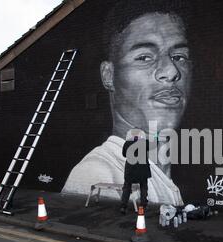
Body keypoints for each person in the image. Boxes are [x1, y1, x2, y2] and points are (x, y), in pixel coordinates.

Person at [62, 0, 192, 206]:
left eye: (179, 56)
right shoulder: (96, 173)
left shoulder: (162, 170)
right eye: (144, 57)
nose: (171, 71)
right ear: (108, 75)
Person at [120, 133, 151, 214]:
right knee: (143, 186)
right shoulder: (144, 142)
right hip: (142, 169)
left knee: (127, 187)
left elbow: (124, 154)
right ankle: (143, 205)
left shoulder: (127, 142)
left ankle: (123, 206)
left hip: (130, 169)